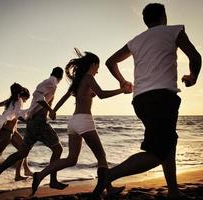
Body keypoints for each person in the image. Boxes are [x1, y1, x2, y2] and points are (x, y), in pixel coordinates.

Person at [93, 3, 202, 199]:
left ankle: (174, 191)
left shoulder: (136, 40)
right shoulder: (173, 31)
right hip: (161, 98)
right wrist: (192, 76)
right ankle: (108, 175)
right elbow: (195, 56)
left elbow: (111, 61)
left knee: (169, 141)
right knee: (157, 152)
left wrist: (123, 81)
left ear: (145, 21)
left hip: (140, 100)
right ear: (163, 17)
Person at [31, 50, 130, 195]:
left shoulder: (78, 81)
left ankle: (40, 175)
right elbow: (101, 95)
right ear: (93, 64)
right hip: (84, 120)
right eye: (98, 67)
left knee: (71, 159)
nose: (97, 71)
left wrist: (53, 110)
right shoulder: (89, 77)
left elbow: (65, 97)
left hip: (73, 122)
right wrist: (121, 90)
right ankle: (109, 189)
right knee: (101, 157)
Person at [0, 67, 68, 192]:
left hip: (31, 123)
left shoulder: (46, 82)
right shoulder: (51, 83)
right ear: (60, 77)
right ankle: (53, 180)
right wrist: (51, 110)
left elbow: (37, 98)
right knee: (58, 149)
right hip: (39, 123)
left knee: (22, 153)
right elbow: (37, 96)